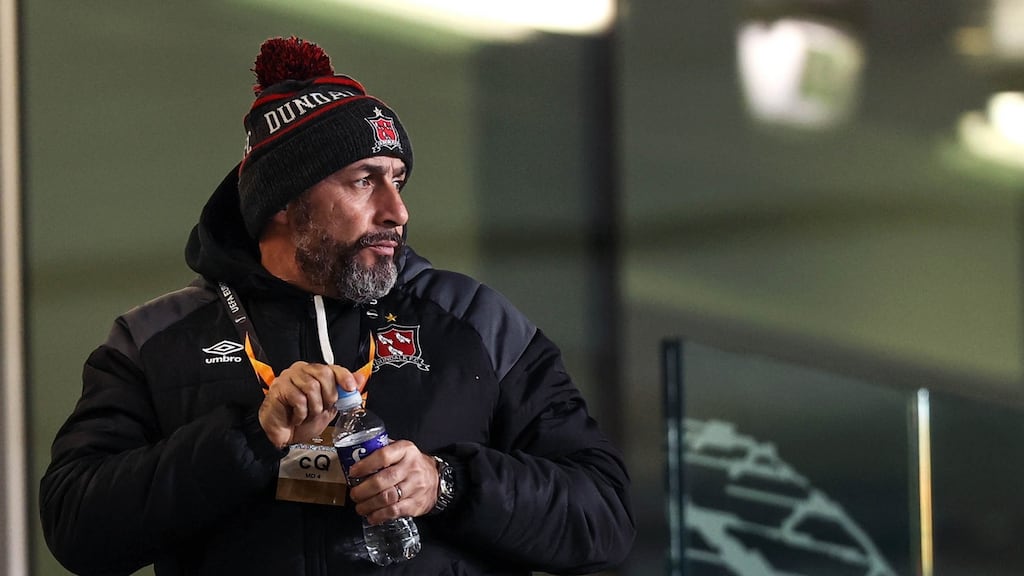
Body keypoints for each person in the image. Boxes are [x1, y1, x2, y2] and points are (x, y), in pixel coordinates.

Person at [39, 36, 635, 575]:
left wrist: (446, 483)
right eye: (363, 180)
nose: (396, 210)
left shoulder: (475, 321)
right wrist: (248, 440)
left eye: (398, 179)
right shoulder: (154, 340)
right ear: (283, 200)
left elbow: (603, 516)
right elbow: (76, 527)